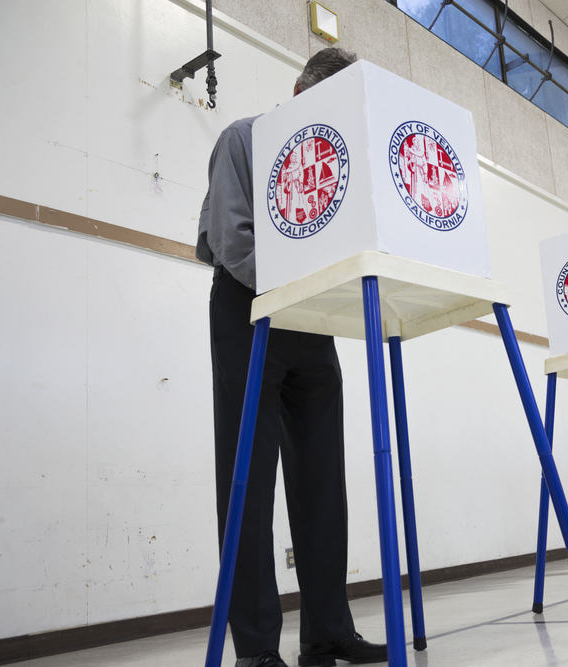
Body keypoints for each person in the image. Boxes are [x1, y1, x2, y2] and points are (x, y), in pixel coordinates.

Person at [197, 47, 388, 667]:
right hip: (248, 306)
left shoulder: (338, 161)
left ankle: (327, 631)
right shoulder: (243, 138)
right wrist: (295, 287)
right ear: (301, 92)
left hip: (312, 318)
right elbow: (231, 240)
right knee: (247, 480)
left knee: (323, 479)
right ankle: (256, 649)